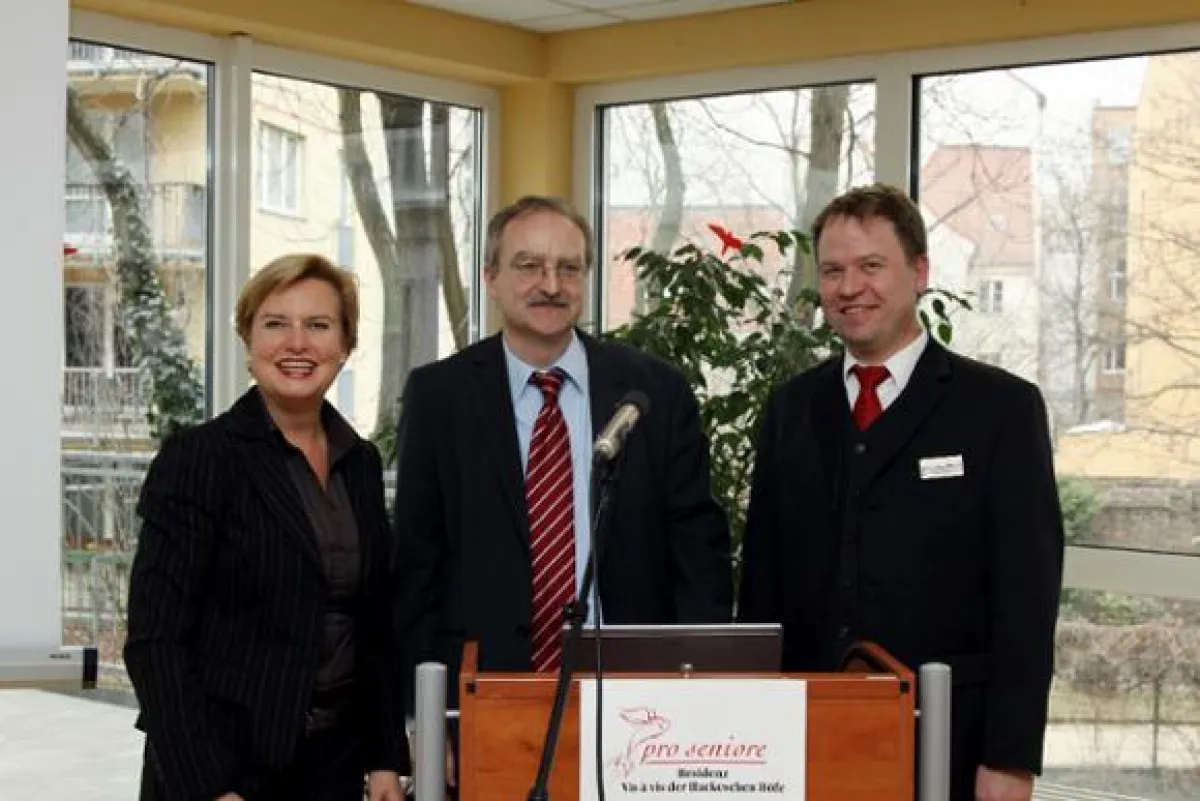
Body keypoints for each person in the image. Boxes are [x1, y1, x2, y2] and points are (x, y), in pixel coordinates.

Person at [738, 183, 1064, 801]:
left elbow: (1026, 601)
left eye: (870, 266)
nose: (848, 287)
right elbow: (763, 585)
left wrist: (1011, 757)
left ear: (919, 272)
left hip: (951, 744)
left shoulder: (1000, 410)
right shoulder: (790, 410)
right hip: (807, 738)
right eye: (833, 271)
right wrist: (753, 728)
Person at [392, 194, 733, 701]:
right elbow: (416, 569)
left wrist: (697, 691)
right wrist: (423, 719)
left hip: (636, 699)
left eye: (568, 268)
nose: (551, 285)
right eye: (528, 266)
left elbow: (698, 559)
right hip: (486, 697)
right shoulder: (440, 397)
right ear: (491, 278)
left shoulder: (654, 393)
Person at [124, 254, 411, 801]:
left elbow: (374, 627)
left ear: (344, 345)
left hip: (333, 766)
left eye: (318, 325)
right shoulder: (201, 459)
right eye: (276, 323)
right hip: (222, 766)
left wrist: (382, 757)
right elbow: (155, 642)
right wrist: (210, 787)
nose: (297, 343)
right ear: (249, 340)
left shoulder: (361, 463)